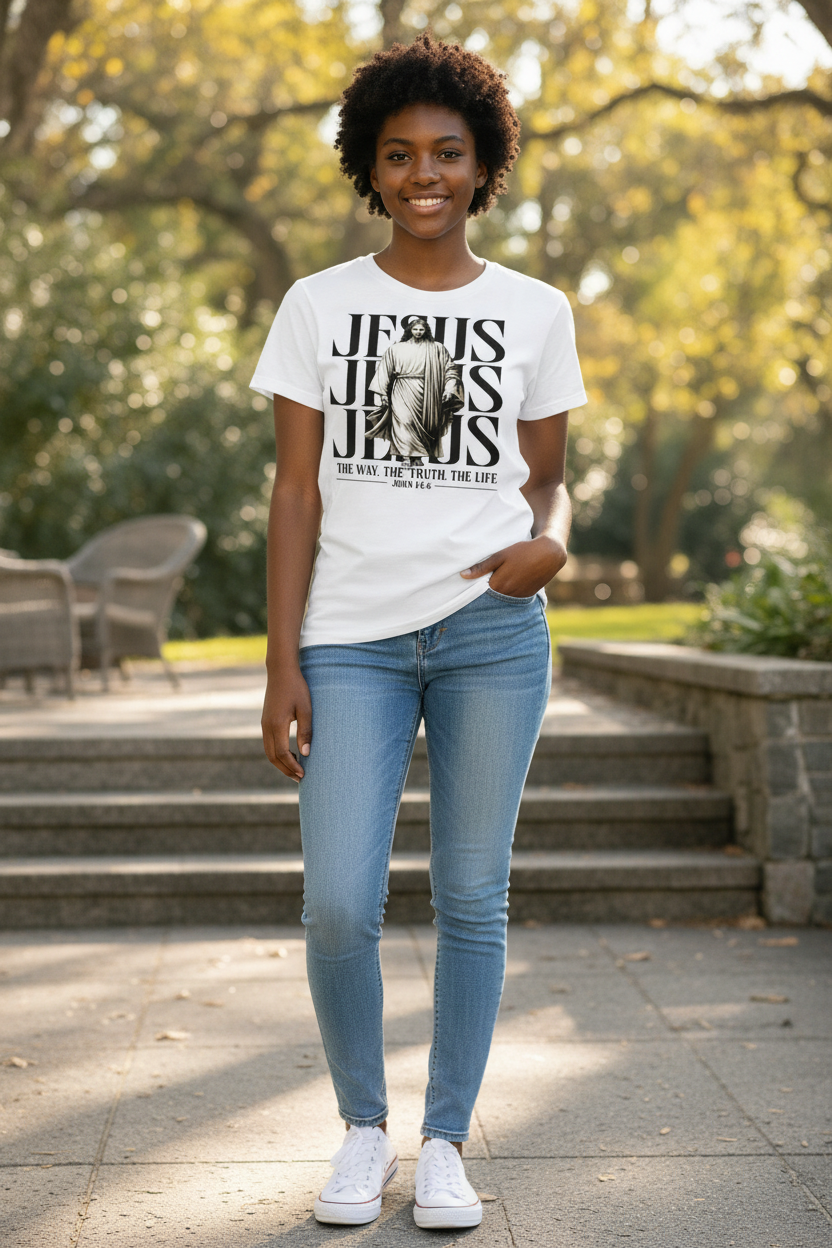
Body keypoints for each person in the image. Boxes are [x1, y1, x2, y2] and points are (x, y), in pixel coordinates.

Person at [252, 32, 586, 1231]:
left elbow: (548, 481)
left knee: (470, 895)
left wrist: (552, 545)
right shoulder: (318, 305)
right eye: (399, 154)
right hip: (349, 640)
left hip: (492, 635)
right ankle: (362, 1129)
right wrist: (280, 659)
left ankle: (445, 1141)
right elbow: (295, 493)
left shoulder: (535, 310)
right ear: (370, 166)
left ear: (483, 162)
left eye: (448, 151)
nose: (424, 174)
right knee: (340, 900)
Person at [366, 316, 464, 464]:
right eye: (415, 329)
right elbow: (384, 371)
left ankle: (416, 457)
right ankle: (406, 456)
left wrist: (449, 389)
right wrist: (382, 393)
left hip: (427, 391)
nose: (418, 332)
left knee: (425, 426)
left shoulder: (437, 348)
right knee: (403, 421)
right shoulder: (396, 349)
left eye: (421, 329)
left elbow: (450, 370)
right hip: (401, 388)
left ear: (426, 331)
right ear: (410, 330)